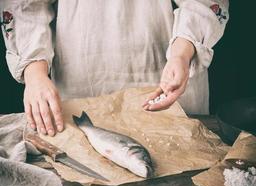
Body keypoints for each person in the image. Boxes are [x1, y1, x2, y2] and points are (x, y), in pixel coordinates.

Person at [0, 0, 229, 136]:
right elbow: (24, 6)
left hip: (166, 70)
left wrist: (181, 53)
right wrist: (34, 72)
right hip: (81, 77)